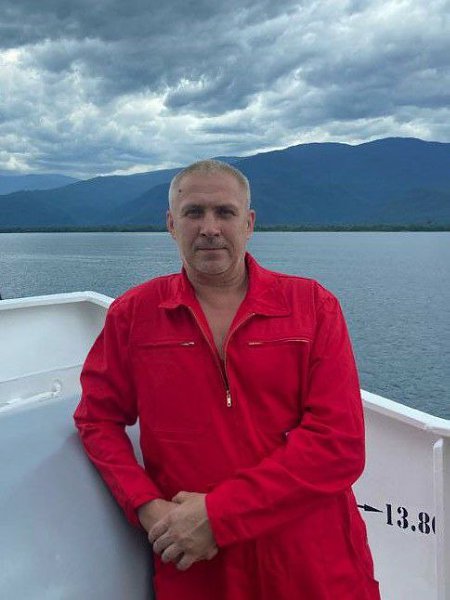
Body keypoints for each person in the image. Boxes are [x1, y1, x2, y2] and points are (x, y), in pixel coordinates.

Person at [73, 160, 380, 600]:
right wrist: (146, 507)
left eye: (225, 212)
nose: (210, 228)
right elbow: (97, 419)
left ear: (249, 223)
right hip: (197, 564)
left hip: (312, 559)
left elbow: (339, 443)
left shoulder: (312, 306)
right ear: (171, 224)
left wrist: (218, 516)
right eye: (194, 213)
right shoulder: (134, 315)